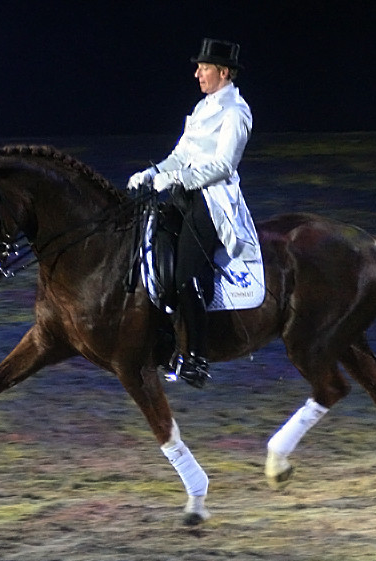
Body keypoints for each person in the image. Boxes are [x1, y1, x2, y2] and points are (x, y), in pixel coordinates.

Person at [127, 38, 260, 388]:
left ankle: (197, 358)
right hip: (183, 194)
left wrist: (176, 178)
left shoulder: (236, 111)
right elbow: (180, 152)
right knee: (152, 249)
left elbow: (223, 165)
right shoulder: (202, 109)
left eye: (204, 67)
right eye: (198, 66)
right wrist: (153, 173)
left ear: (224, 72)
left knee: (186, 274)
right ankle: (162, 337)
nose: (197, 72)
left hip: (212, 201)